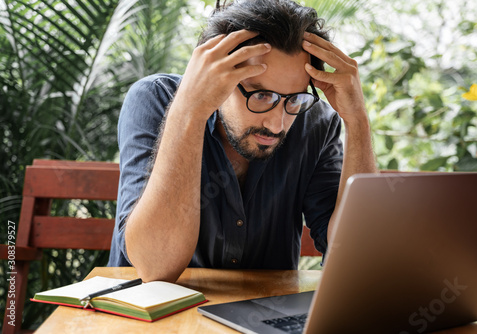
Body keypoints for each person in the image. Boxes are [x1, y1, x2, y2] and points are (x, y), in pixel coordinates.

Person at [108, 0, 377, 282]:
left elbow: (359, 259)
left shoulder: (315, 123)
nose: (277, 124)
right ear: (217, 76)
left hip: (263, 319)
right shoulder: (156, 100)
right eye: (261, 95)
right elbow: (155, 267)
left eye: (295, 99)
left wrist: (357, 120)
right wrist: (189, 112)